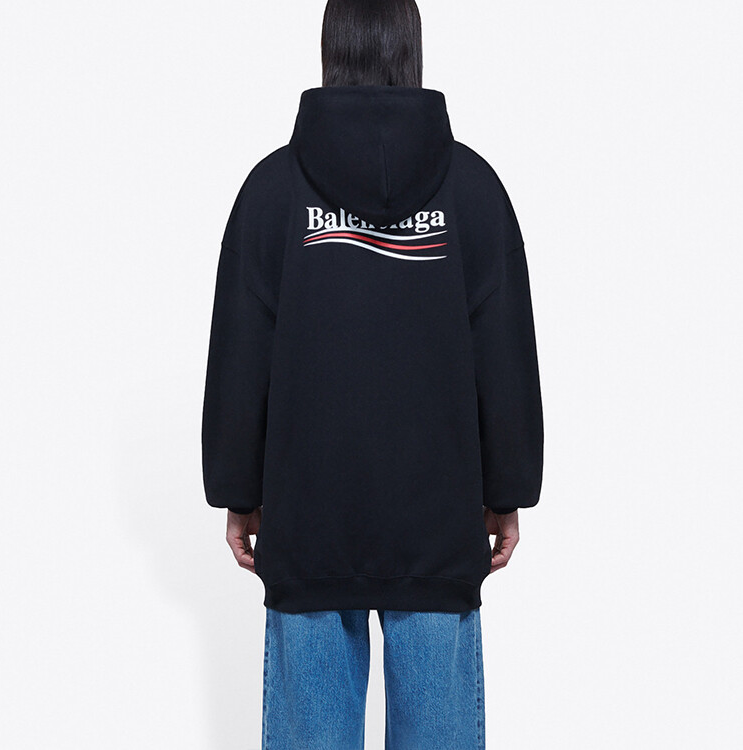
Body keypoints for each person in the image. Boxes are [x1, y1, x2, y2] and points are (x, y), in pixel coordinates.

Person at [201, 0, 544, 747]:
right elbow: (504, 348)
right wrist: (507, 489)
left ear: (330, 51)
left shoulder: (272, 192)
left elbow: (241, 348)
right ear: (412, 51)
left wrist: (238, 490)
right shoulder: (474, 192)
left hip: (308, 522)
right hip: (439, 526)